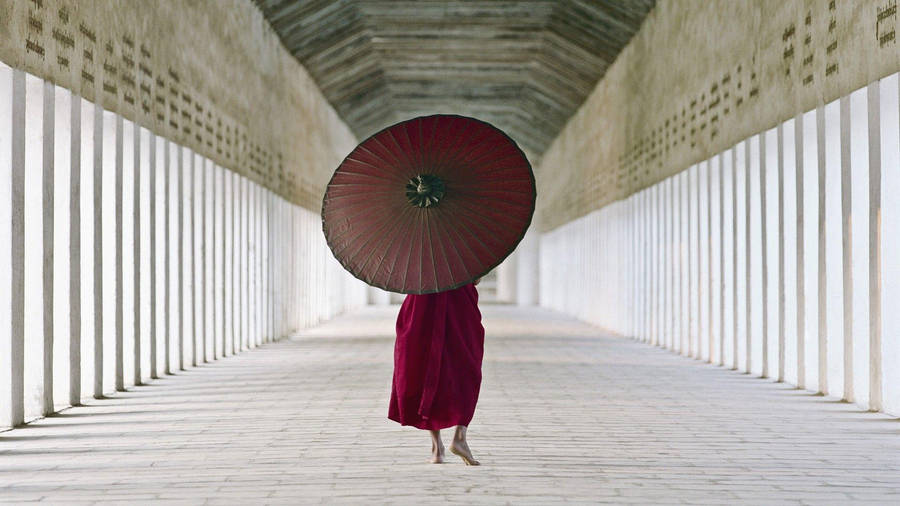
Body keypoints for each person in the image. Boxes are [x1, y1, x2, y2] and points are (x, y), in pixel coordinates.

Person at [388, 278, 485, 465]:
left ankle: (437, 448)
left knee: (424, 367)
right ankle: (460, 437)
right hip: (459, 301)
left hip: (424, 299)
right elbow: (477, 277)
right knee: (465, 367)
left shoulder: (418, 249)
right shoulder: (462, 248)